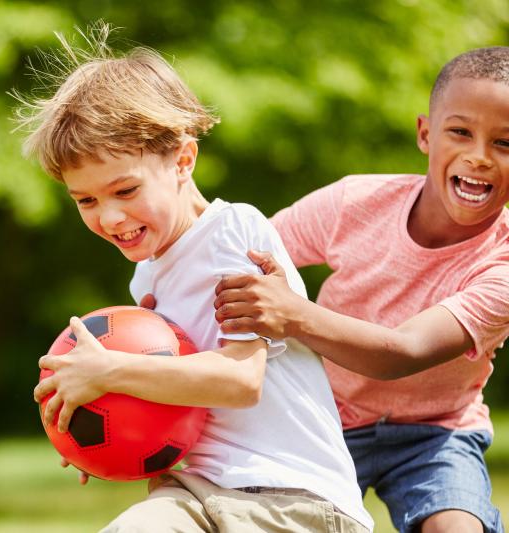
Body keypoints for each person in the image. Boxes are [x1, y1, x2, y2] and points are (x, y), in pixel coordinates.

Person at [16, 24, 372, 532]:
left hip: (288, 496)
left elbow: (239, 380)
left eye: (125, 189)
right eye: (87, 201)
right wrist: (106, 427)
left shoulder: (234, 234)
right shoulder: (147, 279)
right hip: (195, 489)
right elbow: (174, 397)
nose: (110, 217)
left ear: (183, 160)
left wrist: (108, 371)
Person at [212, 46, 509, 533]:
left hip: (434, 434)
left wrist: (293, 313)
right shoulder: (356, 201)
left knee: (458, 527)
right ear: (425, 134)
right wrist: (173, 308)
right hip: (320, 415)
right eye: (461, 132)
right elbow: (238, 252)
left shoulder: (503, 263)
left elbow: (404, 352)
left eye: (505, 142)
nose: (479, 156)